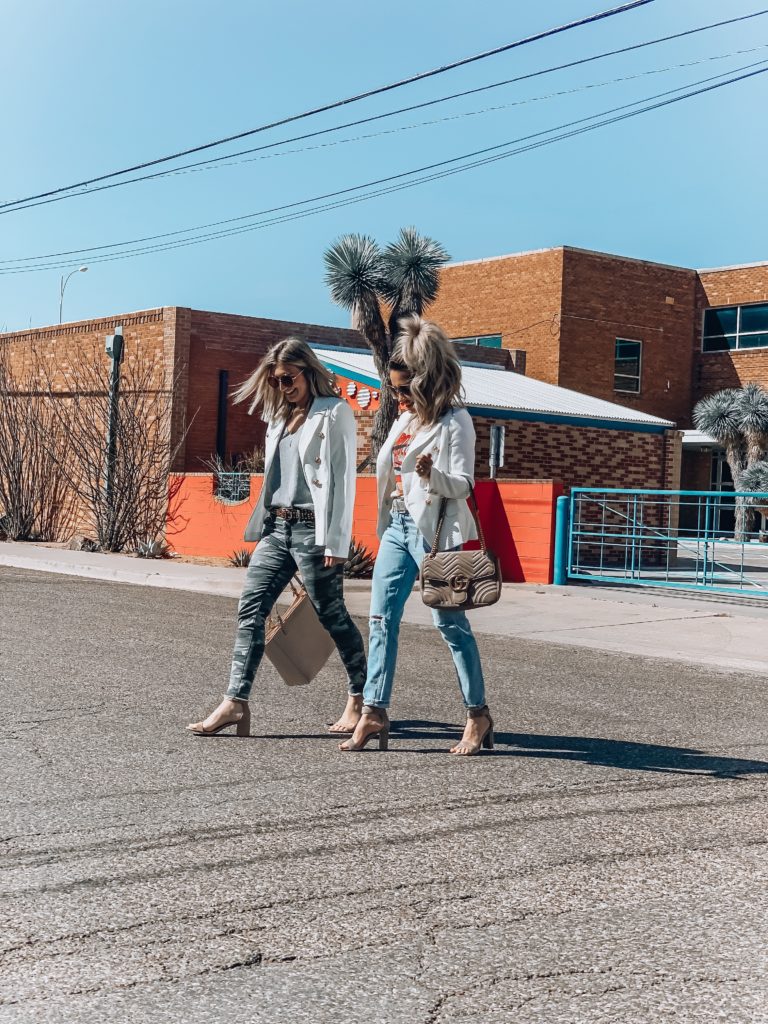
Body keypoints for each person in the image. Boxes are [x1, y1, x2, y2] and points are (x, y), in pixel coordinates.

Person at [188, 337, 367, 737]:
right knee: (250, 610)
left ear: (308, 372)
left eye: (289, 379)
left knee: (332, 615)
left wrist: (336, 543)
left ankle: (361, 697)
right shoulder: (278, 417)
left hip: (312, 530)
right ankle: (235, 702)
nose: (284, 387)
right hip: (277, 527)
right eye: (277, 381)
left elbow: (342, 482)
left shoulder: (334, 412)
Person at [339, 315, 493, 756]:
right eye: (393, 388)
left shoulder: (455, 422)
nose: (398, 396)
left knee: (449, 623)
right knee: (380, 619)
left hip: (433, 534)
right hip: (396, 526)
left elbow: (465, 484)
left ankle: (477, 714)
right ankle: (373, 711)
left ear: (428, 381)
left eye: (405, 388)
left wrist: (434, 475)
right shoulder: (403, 424)